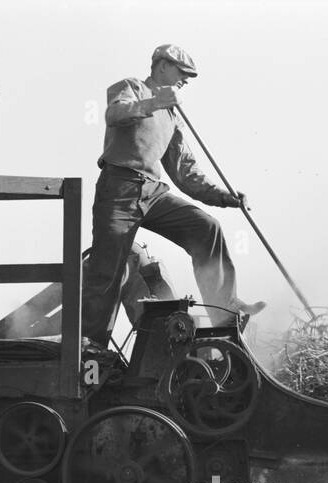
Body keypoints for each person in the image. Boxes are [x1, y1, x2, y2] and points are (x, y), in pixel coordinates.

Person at [81, 43, 264, 350]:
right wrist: (153, 102)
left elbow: (185, 172)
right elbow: (114, 114)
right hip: (119, 187)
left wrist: (225, 197)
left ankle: (226, 313)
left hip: (153, 192)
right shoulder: (132, 87)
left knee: (206, 227)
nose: (186, 80)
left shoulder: (172, 115)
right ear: (162, 66)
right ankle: (91, 345)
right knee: (107, 268)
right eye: (183, 73)